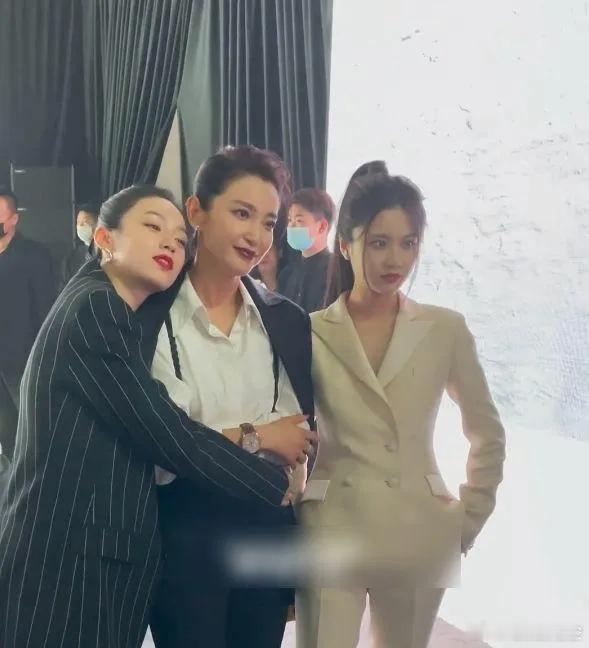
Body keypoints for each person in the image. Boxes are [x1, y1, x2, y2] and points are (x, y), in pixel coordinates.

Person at [0, 184, 314, 648]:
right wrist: (272, 480)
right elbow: (169, 435)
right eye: (152, 226)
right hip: (69, 560)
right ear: (104, 238)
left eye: (178, 238)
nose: (170, 242)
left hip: (93, 555)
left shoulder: (109, 307)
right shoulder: (97, 309)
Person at [295, 171, 506, 648]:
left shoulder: (445, 329)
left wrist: (466, 521)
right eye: (379, 243)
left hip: (418, 528)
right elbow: (289, 427)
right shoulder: (309, 330)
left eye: (408, 243)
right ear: (345, 245)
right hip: (333, 526)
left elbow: (487, 434)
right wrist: (296, 507)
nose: (396, 260)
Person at [146, 146, 316, 648]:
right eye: (242, 213)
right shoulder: (150, 317)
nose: (257, 236)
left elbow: (295, 437)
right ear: (196, 211)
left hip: (265, 528)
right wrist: (258, 436)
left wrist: (216, 437)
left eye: (268, 222)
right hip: (184, 534)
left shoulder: (284, 320)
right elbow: (166, 451)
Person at [0, 186, 56, 462]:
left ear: (14, 219)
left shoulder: (35, 255)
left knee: (31, 426)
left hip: (22, 358)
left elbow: (45, 311)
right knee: (6, 430)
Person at [278, 188, 336, 312]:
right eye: (290, 220)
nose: (291, 226)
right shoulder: (287, 274)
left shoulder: (336, 272)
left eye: (299, 220)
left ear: (322, 226)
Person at [59, 202, 100, 291]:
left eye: (84, 223)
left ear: (97, 224)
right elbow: (63, 291)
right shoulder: (71, 259)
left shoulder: (108, 255)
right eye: (78, 222)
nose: (80, 227)